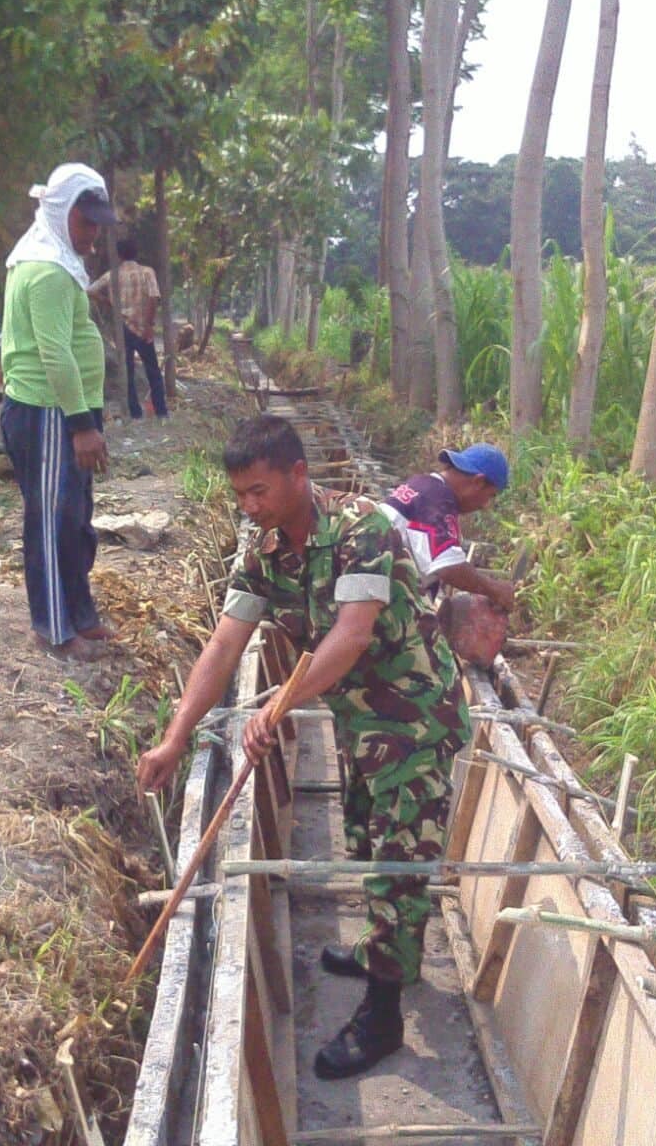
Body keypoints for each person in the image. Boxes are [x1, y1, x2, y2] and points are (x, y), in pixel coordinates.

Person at [136, 414, 470, 1080]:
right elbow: (225, 643)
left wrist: (279, 706)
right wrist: (175, 737)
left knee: (401, 857)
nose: (251, 507)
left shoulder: (361, 529)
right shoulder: (264, 553)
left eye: (259, 491)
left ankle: (382, 1018)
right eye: (241, 497)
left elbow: (348, 637)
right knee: (373, 843)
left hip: (412, 717)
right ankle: (388, 950)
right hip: (359, 720)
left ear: (297, 474)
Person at [0, 163, 119, 663]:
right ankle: (53, 627)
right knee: (50, 522)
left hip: (65, 411)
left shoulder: (60, 263)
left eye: (96, 222)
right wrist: (83, 425)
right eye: (84, 221)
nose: (92, 232)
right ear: (59, 212)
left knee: (74, 517)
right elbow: (54, 354)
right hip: (48, 412)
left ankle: (80, 613)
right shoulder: (45, 270)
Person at [380, 442, 514, 611]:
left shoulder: (421, 484)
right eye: (490, 496)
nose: (485, 505)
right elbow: (448, 566)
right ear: (478, 481)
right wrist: (494, 590)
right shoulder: (436, 498)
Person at [88, 238, 167, 420]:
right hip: (142, 327)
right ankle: (161, 412)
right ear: (135, 253)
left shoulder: (112, 275)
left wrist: (108, 302)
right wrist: (148, 326)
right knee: (153, 370)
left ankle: (135, 413)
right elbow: (154, 298)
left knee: (128, 371)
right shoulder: (147, 272)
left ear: (119, 255)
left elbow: (90, 290)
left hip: (123, 327)